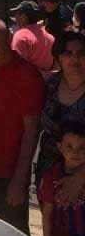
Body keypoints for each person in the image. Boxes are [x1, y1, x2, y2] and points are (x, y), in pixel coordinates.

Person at [0, 18, 44, 235]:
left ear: (9, 38)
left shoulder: (27, 75)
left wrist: (19, 180)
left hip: (8, 176)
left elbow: (31, 132)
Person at [36, 31, 85, 192]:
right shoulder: (49, 85)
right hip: (48, 170)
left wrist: (79, 178)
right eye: (68, 53)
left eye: (81, 53)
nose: (75, 59)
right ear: (59, 58)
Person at [10, 0, 55, 73]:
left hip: (27, 78)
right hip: (48, 79)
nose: (15, 17)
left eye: (17, 14)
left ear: (24, 16)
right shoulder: (50, 38)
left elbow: (17, 66)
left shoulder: (20, 36)